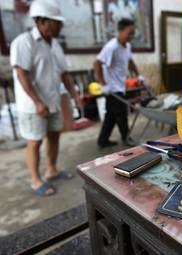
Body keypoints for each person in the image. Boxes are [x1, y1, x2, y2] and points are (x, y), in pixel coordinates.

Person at [10, 0, 82, 196]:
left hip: (53, 100)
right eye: (56, 22)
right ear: (42, 21)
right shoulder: (24, 42)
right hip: (33, 105)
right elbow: (21, 74)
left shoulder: (55, 45)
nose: (60, 26)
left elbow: (64, 74)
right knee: (35, 141)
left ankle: (52, 170)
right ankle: (35, 180)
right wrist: (38, 102)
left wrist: (75, 96)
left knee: (54, 135)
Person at [93, 18, 144, 148]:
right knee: (121, 114)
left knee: (111, 116)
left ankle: (102, 140)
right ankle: (126, 138)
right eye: (129, 33)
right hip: (112, 88)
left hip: (120, 86)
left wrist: (138, 75)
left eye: (133, 33)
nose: (131, 36)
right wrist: (103, 84)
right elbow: (97, 63)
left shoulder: (127, 46)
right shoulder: (111, 47)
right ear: (120, 31)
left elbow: (130, 61)